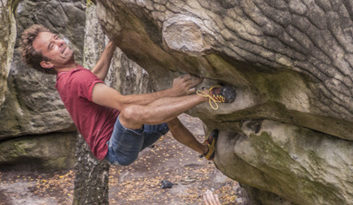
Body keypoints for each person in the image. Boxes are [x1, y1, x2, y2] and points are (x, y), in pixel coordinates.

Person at [20, 24, 235, 165]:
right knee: (131, 112)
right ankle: (208, 95)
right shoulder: (75, 79)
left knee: (168, 117)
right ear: (47, 63)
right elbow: (122, 103)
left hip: (129, 133)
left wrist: (113, 42)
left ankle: (205, 150)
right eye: (52, 46)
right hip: (115, 150)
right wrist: (174, 92)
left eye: (56, 38)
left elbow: (95, 75)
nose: (60, 43)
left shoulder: (67, 76)